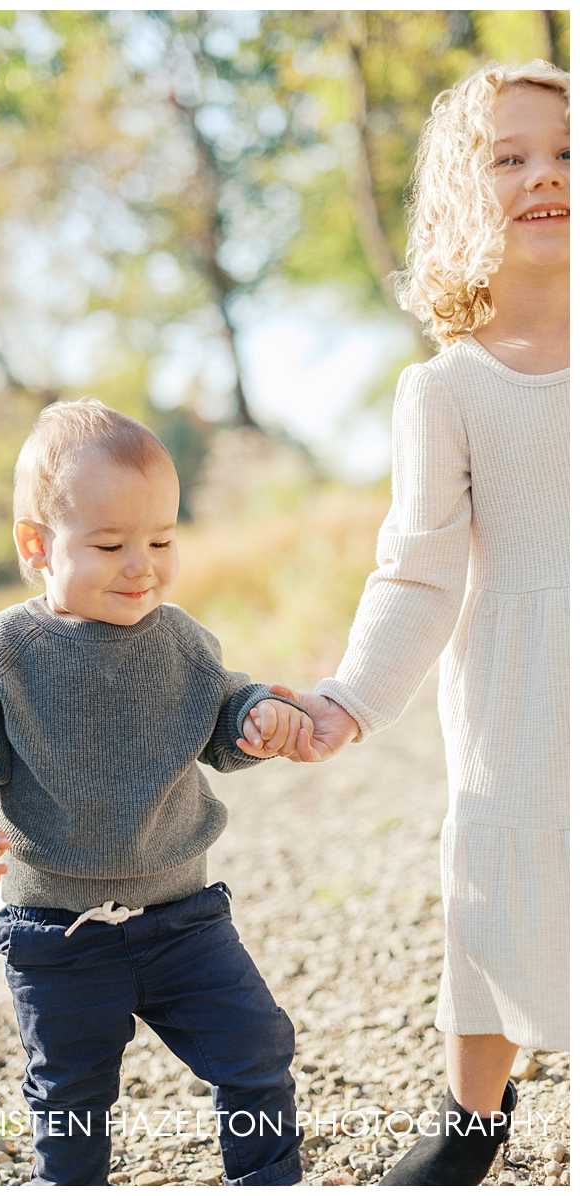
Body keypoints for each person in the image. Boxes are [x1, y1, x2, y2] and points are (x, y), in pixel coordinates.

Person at [274, 59, 569, 1186]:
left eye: (563, 151)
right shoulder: (445, 390)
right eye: (509, 156)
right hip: (522, 694)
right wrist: (348, 697)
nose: (544, 173)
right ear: (462, 195)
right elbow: (418, 573)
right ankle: (471, 1120)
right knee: (496, 885)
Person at [0, 399, 313, 1185]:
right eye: (109, 544)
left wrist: (256, 719)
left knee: (257, 1047)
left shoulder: (183, 642)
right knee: (70, 1097)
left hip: (184, 921)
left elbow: (222, 712)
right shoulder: (7, 650)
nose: (143, 565)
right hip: (56, 934)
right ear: (37, 545)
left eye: (162, 540)